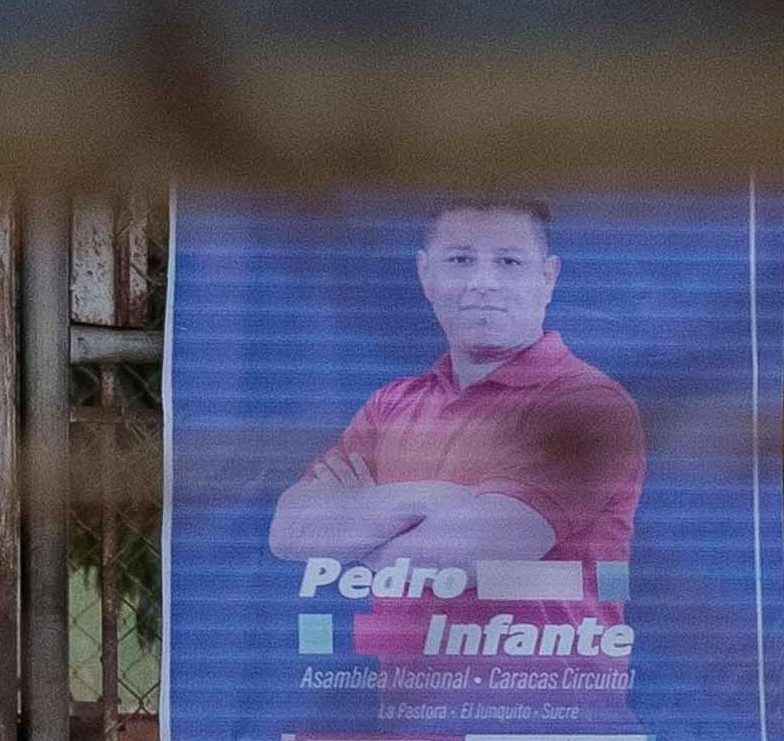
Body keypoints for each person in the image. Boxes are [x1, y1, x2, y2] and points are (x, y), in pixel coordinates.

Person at [263, 198, 645, 639]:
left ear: (548, 277)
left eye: (509, 261)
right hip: (407, 704)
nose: (483, 283)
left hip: (548, 705)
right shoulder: (392, 404)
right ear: (425, 273)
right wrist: (428, 497)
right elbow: (289, 533)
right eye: (461, 259)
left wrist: (359, 536)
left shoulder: (587, 406)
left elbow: (470, 557)